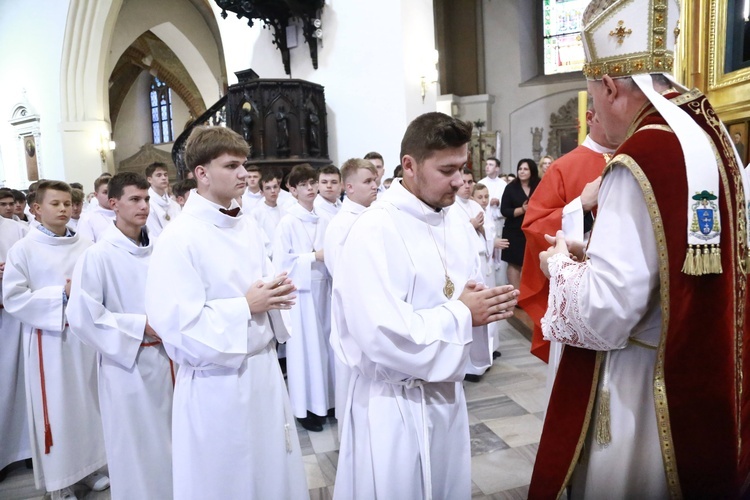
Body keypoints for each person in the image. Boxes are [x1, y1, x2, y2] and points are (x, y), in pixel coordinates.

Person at [529, 1, 750, 497]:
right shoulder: (711, 137)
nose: (596, 120)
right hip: (705, 377)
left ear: (609, 86)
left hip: (642, 389)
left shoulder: (638, 159)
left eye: (592, 96)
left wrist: (561, 262)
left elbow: (605, 312)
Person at [331, 112, 519, 499]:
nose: (459, 181)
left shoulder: (456, 223)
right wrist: (464, 314)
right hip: (392, 404)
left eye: (463, 168)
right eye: (446, 169)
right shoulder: (372, 230)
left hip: (445, 397)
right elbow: (381, 334)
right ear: (410, 166)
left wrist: (485, 310)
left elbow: (467, 297)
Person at [145, 126, 307, 499]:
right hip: (217, 383)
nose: (243, 174)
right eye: (231, 165)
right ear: (201, 173)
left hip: (263, 372)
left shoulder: (245, 223)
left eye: (243, 164)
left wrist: (276, 291)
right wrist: (246, 306)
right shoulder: (178, 238)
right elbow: (176, 327)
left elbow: (260, 285)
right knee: (228, 480)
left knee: (272, 474)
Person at [67, 172, 173, 500]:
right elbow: (83, 316)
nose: (144, 206)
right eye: (135, 199)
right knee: (137, 446)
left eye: (146, 199)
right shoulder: (98, 256)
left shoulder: (162, 249)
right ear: (113, 204)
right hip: (126, 365)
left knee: (174, 442)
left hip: (170, 360)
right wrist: (139, 325)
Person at [3, 180, 109, 500]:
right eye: (55, 204)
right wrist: (60, 295)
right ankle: (60, 481)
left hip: (85, 340)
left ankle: (89, 468)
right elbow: (14, 298)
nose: (63, 209)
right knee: (57, 411)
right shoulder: (23, 249)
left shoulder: (87, 245)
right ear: (36, 209)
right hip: (49, 340)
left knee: (88, 405)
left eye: (67, 203)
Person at [519, 103, 618, 369]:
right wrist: (579, 207)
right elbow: (535, 225)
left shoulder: (638, 159)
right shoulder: (564, 167)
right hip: (580, 293)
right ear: (590, 117)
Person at [272, 163, 335, 432]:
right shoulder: (287, 221)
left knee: (327, 350)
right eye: (304, 185)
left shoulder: (325, 218)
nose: (310, 189)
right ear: (293, 189)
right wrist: (313, 256)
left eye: (312, 183)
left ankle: (328, 402)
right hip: (302, 295)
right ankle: (306, 409)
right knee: (306, 351)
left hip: (326, 292)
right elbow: (281, 262)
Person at [322, 158, 378, 424]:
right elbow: (339, 271)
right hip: (353, 311)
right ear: (349, 187)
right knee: (352, 381)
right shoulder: (341, 224)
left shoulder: (372, 217)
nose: (375, 185)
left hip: (372, 309)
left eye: (375, 180)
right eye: (367, 181)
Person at [450, 169, 501, 380]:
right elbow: (450, 237)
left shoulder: (474, 205)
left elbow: (489, 230)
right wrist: (470, 226)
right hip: (465, 265)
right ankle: (471, 364)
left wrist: (481, 230)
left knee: (487, 306)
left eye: (470, 182)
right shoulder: (450, 207)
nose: (467, 185)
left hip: (482, 260)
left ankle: (488, 351)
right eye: (464, 182)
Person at [0, 206, 29, 480]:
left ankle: (24, 450)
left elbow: (32, 261)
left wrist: (13, 270)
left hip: (12, 320)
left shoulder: (16, 228)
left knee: (17, 385)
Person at [500, 158, 540, 289]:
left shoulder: (539, 185)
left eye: (525, 169)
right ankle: (516, 294)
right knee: (514, 263)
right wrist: (522, 210)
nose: (521, 172)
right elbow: (504, 210)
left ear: (532, 171)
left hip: (533, 230)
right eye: (520, 169)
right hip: (514, 230)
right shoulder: (510, 187)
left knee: (534, 263)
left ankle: (531, 293)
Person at [479, 157, 508, 285]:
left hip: (499, 221)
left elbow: (507, 203)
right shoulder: (481, 183)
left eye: (491, 165)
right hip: (485, 220)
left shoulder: (503, 184)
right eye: (486, 164)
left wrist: (499, 202)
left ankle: (501, 281)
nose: (487, 167)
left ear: (497, 168)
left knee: (500, 253)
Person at [253, 168, 286, 254]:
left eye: (275, 187)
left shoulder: (285, 211)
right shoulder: (256, 213)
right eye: (268, 188)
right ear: (262, 192)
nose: (273, 191)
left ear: (279, 189)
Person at [144, 162, 181, 240]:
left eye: (165, 175)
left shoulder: (174, 205)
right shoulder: (147, 205)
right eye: (159, 175)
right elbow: (155, 234)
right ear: (149, 179)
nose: (164, 178)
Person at [76, 175, 115, 242]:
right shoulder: (87, 219)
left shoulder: (125, 215)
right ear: (96, 195)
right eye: (105, 192)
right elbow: (86, 246)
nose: (110, 196)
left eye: (113, 192)